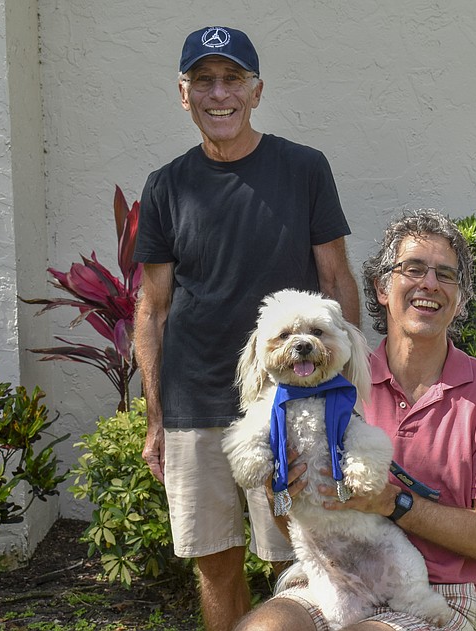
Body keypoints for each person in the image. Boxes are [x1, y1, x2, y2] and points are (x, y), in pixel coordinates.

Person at [132, 26, 359, 631]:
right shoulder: (166, 186)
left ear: (257, 91)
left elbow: (336, 282)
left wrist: (352, 395)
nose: (219, 93)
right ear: (184, 95)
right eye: (203, 80)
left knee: (308, 562)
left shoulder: (305, 169)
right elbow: (151, 310)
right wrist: (156, 418)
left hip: (291, 404)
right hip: (195, 405)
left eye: (232, 79)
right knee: (216, 565)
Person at [234, 210, 476, 631]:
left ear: (461, 300)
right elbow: (293, 524)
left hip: (443, 591)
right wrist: (280, 493)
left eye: (445, 275)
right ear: (381, 287)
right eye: (413, 269)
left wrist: (393, 503)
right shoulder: (327, 382)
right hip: (327, 574)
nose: (429, 283)